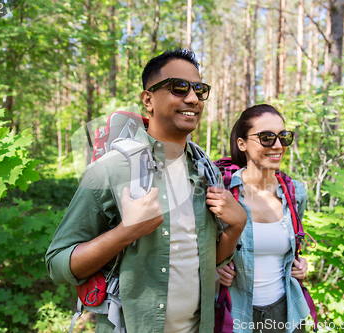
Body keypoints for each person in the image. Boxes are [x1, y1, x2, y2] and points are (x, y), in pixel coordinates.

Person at [45, 49, 247, 333]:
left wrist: (237, 226)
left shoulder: (206, 172)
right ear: (148, 99)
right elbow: (58, 264)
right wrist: (126, 231)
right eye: (179, 87)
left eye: (199, 90)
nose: (192, 98)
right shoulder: (110, 170)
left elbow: (206, 260)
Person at [216, 104, 310, 333]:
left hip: (286, 313)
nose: (277, 145)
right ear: (242, 143)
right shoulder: (223, 191)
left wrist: (300, 265)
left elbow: (292, 246)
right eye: (267, 137)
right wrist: (214, 269)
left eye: (283, 136)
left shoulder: (296, 193)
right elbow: (201, 250)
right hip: (236, 314)